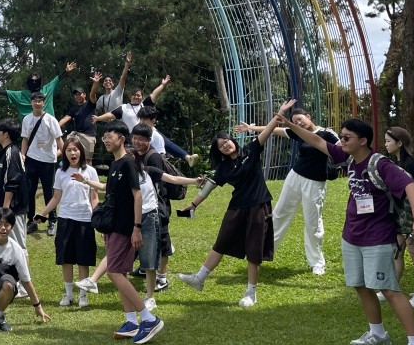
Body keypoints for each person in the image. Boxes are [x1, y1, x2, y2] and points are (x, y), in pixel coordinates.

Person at [281, 112, 414, 345]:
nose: (341, 141)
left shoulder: (379, 163)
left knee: (389, 290)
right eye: (341, 136)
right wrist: (289, 126)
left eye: (347, 137)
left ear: (363, 140)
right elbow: (317, 141)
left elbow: (411, 184)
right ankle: (377, 333)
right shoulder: (347, 157)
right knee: (360, 285)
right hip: (352, 236)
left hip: (377, 237)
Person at [73, 121, 163, 345]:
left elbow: (138, 196)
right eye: (104, 136)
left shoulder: (128, 163)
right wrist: (107, 227)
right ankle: (131, 322)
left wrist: (137, 228)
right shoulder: (114, 165)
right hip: (114, 227)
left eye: (110, 135)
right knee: (120, 271)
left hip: (126, 228)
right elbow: (112, 197)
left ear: (122, 138)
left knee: (113, 272)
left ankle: (149, 319)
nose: (105, 139)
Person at [176, 114, 281, 307]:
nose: (225, 145)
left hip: (258, 206)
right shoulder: (224, 168)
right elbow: (209, 186)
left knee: (253, 250)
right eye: (221, 146)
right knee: (222, 242)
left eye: (226, 141)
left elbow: (267, 132)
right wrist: (193, 204)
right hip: (237, 207)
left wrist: (278, 115)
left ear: (233, 140)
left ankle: (251, 293)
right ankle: (199, 278)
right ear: (219, 151)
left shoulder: (250, 150)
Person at [235, 99, 337, 275]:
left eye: (300, 119)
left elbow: (343, 148)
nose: (298, 123)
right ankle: (262, 253)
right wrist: (251, 128)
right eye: (295, 121)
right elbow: (275, 130)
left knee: (313, 221)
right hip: (295, 177)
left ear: (308, 116)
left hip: (315, 182)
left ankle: (317, 262)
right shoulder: (298, 132)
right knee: (280, 214)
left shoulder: (327, 133)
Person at [130, 124, 203, 295]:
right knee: (147, 240)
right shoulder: (137, 155)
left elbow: (165, 182)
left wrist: (194, 181)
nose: (137, 142)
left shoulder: (153, 157)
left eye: (141, 139)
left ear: (149, 140)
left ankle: (162, 278)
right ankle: (145, 268)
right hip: (145, 205)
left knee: (162, 241)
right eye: (135, 138)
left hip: (158, 205)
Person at [34, 135, 97, 308]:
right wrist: (43, 214)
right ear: (65, 153)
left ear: (81, 151)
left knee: (83, 259)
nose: (72, 153)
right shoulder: (60, 172)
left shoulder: (90, 171)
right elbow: (56, 197)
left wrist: (97, 216)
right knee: (66, 259)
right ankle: (68, 294)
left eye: (75, 149)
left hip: (84, 219)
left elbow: (94, 197)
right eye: (69, 150)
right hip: (65, 219)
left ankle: (83, 295)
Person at [385, 126, 414, 308]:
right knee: (397, 253)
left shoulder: (410, 165)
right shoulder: (395, 162)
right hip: (399, 215)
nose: (386, 144)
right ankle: (391, 288)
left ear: (399, 143)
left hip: (412, 215)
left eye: (389, 141)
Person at [21, 91, 64, 235]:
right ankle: (32, 221)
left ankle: (52, 221)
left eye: (40, 100)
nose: (37, 102)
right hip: (31, 159)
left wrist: (66, 156)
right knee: (30, 191)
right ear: (31, 102)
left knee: (49, 192)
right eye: (34, 100)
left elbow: (59, 140)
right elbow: (25, 139)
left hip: (48, 161)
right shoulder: (26, 119)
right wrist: (23, 155)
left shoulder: (51, 120)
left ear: (43, 103)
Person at [136, 78, 199, 166]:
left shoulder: (143, 106)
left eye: (138, 95)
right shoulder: (123, 108)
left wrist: (163, 85)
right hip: (135, 135)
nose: (136, 97)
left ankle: (187, 157)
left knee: (162, 140)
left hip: (148, 133)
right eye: (133, 95)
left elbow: (154, 95)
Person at [0, 61, 78, 118]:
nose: (34, 83)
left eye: (36, 81)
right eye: (32, 81)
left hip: (48, 126)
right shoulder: (22, 95)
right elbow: (8, 92)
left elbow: (57, 79)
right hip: (31, 129)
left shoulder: (47, 89)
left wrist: (66, 71)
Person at [0, 118, 30, 252]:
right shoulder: (6, 152)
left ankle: (24, 268)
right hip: (10, 209)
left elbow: (12, 182)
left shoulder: (12, 152)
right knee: (9, 247)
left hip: (14, 209)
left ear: (6, 134)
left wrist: (5, 210)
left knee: (19, 248)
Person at [59, 85, 97, 159]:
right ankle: (52, 158)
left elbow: (92, 95)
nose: (77, 96)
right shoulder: (74, 109)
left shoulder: (90, 104)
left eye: (79, 94)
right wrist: (55, 126)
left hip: (88, 136)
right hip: (76, 135)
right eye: (76, 95)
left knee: (87, 160)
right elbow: (66, 118)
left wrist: (95, 83)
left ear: (84, 94)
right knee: (67, 149)